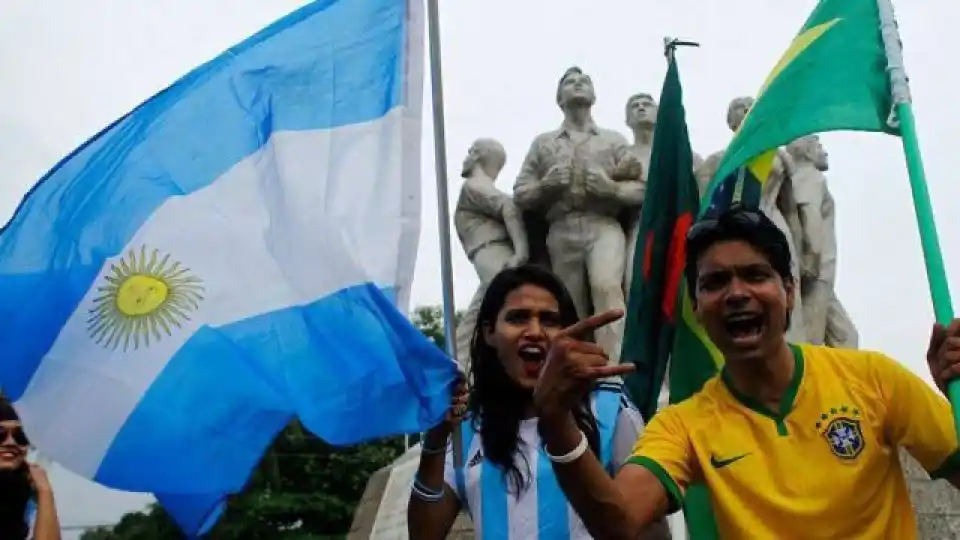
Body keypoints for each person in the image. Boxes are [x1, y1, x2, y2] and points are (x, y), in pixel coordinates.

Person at [535, 206, 960, 539]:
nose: (736, 293)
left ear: (789, 292)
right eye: (715, 282)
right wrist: (556, 421)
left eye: (755, 275)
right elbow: (620, 522)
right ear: (696, 307)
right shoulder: (684, 425)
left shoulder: (874, 378)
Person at [406, 264, 671, 539]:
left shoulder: (610, 408)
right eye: (518, 318)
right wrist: (435, 440)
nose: (534, 331)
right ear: (489, 332)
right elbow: (424, 535)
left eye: (549, 320)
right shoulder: (467, 428)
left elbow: (651, 529)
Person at [0, 398, 61, 540]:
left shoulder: (28, 503)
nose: (11, 442)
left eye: (21, 436)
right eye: (0, 434)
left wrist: (45, 491)